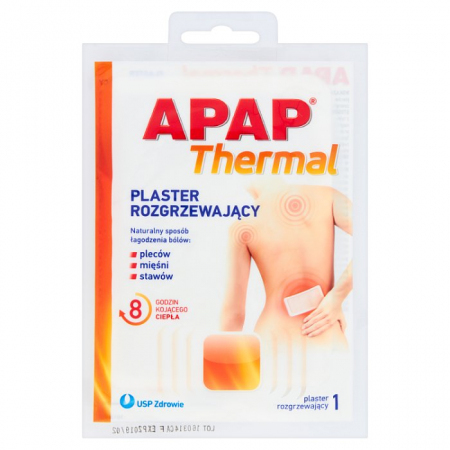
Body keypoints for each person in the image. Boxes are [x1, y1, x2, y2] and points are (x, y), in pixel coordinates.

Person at [220, 178, 352, 348]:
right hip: (329, 339)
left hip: (274, 344)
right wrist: (336, 298)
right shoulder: (327, 196)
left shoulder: (243, 226)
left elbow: (233, 316)